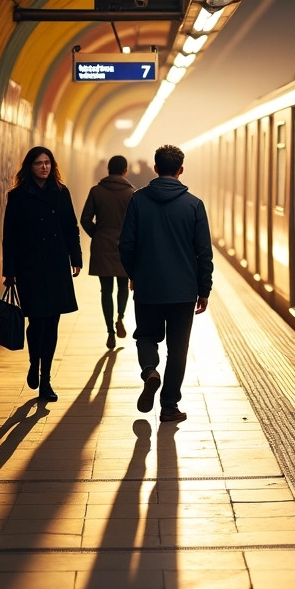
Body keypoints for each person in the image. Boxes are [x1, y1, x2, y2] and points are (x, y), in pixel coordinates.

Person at [119, 144, 213, 423]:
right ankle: (170, 405)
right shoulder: (194, 204)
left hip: (148, 286)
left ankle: (150, 371)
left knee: (146, 335)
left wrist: (134, 273)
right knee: (178, 347)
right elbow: (203, 252)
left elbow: (125, 245)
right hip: (183, 291)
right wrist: (203, 289)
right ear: (181, 170)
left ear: (156, 168)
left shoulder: (138, 200)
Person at [2, 146, 83, 401]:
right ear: (30, 167)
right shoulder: (17, 197)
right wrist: (10, 271)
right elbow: (10, 237)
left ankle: (46, 379)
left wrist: (76, 258)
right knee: (36, 323)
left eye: (48, 162)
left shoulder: (61, 192)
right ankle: (34, 361)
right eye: (39, 163)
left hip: (57, 266)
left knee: (52, 324)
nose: (44, 167)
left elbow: (71, 227)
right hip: (30, 269)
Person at [81, 155, 135, 349]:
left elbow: (85, 219)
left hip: (102, 246)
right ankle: (120, 317)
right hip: (124, 248)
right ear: (125, 171)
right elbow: (137, 225)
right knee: (123, 286)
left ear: (108, 170)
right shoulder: (131, 193)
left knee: (106, 290)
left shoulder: (96, 191)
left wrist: (98, 234)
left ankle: (110, 332)